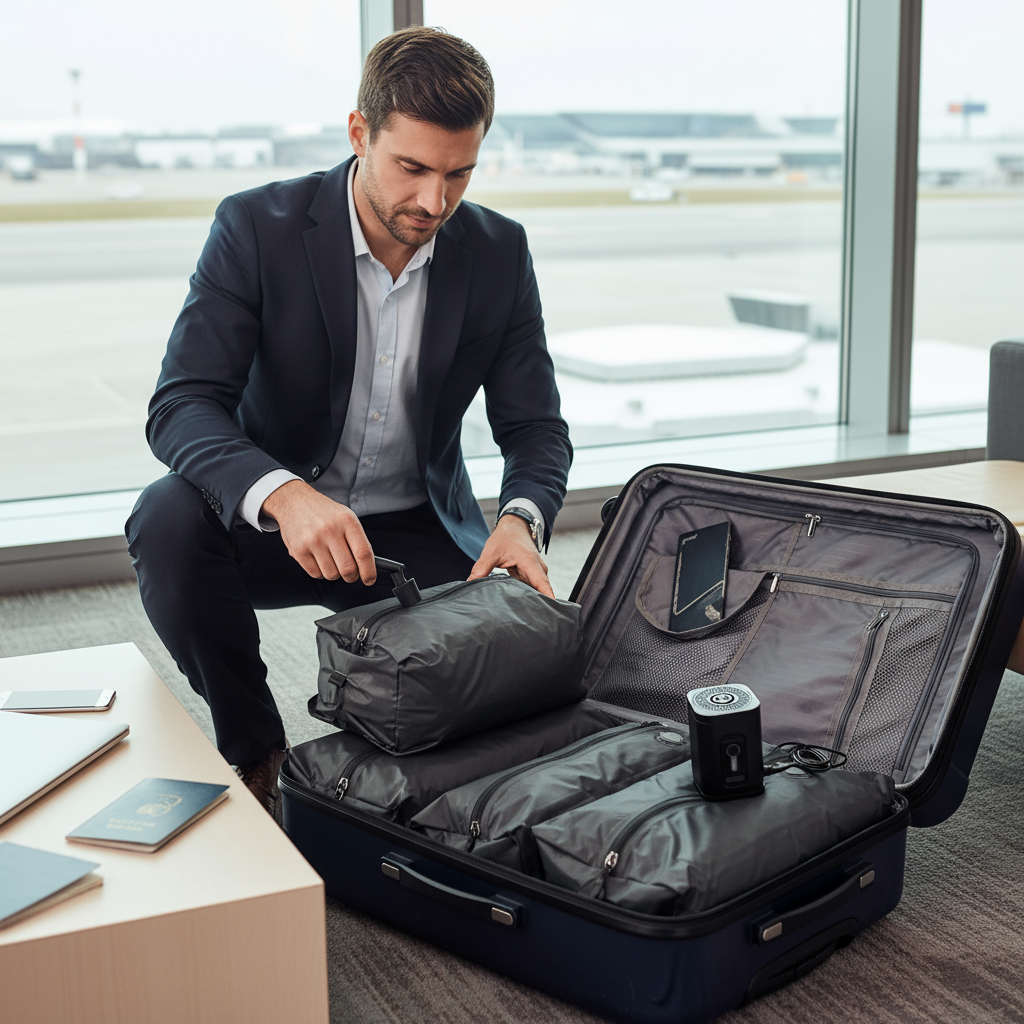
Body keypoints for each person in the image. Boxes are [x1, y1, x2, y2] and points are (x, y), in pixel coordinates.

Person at [125, 27, 572, 816]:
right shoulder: (256, 229)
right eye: (413, 168)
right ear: (361, 133)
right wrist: (284, 493)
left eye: (459, 174)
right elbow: (181, 403)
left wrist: (520, 520)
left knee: (513, 699)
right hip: (277, 526)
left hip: (413, 532)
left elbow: (535, 428)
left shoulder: (500, 251)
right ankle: (256, 751)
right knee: (164, 517)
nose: (435, 201)